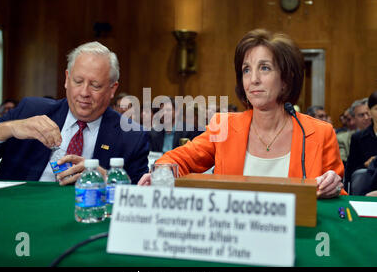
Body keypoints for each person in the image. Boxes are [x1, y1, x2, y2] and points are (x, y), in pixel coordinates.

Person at [139, 29, 344, 199]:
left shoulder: (320, 133)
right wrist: (161, 174)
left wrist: (332, 188)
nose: (253, 79)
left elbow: (341, 200)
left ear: (286, 80)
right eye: (246, 70)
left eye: (264, 68)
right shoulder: (224, 126)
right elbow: (179, 159)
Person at [0, 42, 149, 184]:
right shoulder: (31, 110)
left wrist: (108, 180)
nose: (84, 92)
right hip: (18, 214)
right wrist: (6, 128)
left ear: (112, 89)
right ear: (66, 79)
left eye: (95, 85)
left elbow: (137, 197)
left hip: (87, 218)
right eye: (78, 81)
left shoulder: (131, 136)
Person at [344, 91, 377, 190]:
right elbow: (350, 171)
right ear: (369, 111)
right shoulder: (358, 138)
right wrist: (366, 164)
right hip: (366, 189)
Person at [337, 98, 371, 165]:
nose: (366, 118)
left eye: (368, 114)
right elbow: (343, 164)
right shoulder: (342, 139)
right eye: (361, 115)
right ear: (354, 118)